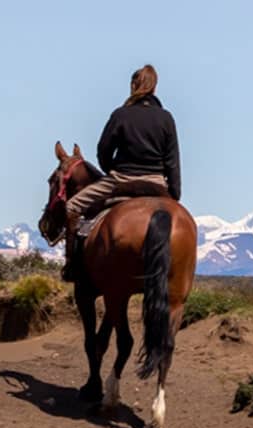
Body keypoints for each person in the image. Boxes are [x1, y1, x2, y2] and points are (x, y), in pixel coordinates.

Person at [61, 64, 182, 282]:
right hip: (156, 182)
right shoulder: (166, 118)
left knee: (71, 207)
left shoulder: (120, 115)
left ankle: (73, 267)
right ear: (154, 88)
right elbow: (173, 161)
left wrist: (111, 171)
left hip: (121, 179)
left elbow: (103, 151)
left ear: (133, 86)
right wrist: (174, 194)